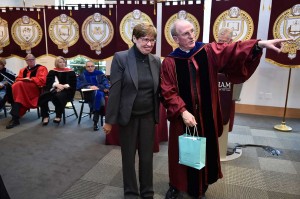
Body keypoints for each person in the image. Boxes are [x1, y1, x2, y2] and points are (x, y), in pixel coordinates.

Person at [160, 19, 289, 199]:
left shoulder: (207, 51)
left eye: (192, 31)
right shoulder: (170, 62)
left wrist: (259, 45)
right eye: (185, 33)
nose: (192, 35)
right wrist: (182, 111)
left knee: (204, 150)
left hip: (205, 116)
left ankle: (201, 187)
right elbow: (168, 91)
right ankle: (176, 185)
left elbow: (232, 50)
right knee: (180, 151)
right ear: (175, 38)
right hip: (183, 118)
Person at [103, 22, 161, 199]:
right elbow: (115, 90)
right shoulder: (121, 58)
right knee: (128, 158)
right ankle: (130, 193)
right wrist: (109, 120)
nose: (149, 44)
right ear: (134, 39)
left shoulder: (156, 60)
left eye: (152, 40)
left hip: (148, 117)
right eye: (145, 39)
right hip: (128, 117)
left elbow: (159, 90)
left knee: (147, 157)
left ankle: (147, 192)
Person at [6, 54, 48, 129]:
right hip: (22, 90)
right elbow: (18, 78)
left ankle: (14, 118)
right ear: (26, 61)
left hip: (34, 90)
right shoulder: (23, 70)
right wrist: (24, 79)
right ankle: (15, 118)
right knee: (16, 86)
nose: (30, 61)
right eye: (28, 60)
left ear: (35, 60)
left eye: (32, 59)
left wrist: (31, 79)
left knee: (17, 86)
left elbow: (43, 80)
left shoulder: (41, 68)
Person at [38, 56, 77, 125]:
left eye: (63, 62)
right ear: (57, 63)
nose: (62, 63)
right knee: (43, 96)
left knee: (58, 96)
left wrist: (63, 86)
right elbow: (49, 82)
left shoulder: (70, 72)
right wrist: (56, 85)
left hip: (66, 91)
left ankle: (58, 115)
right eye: (60, 62)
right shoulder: (52, 71)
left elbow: (73, 84)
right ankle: (45, 116)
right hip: (53, 89)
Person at [76, 61, 110, 131]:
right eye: (88, 66)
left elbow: (106, 83)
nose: (90, 68)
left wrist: (101, 87)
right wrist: (89, 87)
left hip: (100, 91)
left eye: (92, 66)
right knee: (98, 95)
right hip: (89, 94)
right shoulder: (83, 75)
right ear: (86, 67)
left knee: (98, 94)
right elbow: (78, 85)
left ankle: (95, 120)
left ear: (94, 67)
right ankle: (103, 111)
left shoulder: (100, 74)